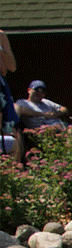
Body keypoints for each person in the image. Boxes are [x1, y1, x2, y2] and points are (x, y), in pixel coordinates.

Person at [0, 29, 22, 159]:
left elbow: (12, 66)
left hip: (2, 85)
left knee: (12, 134)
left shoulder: (1, 35)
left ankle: (13, 169)